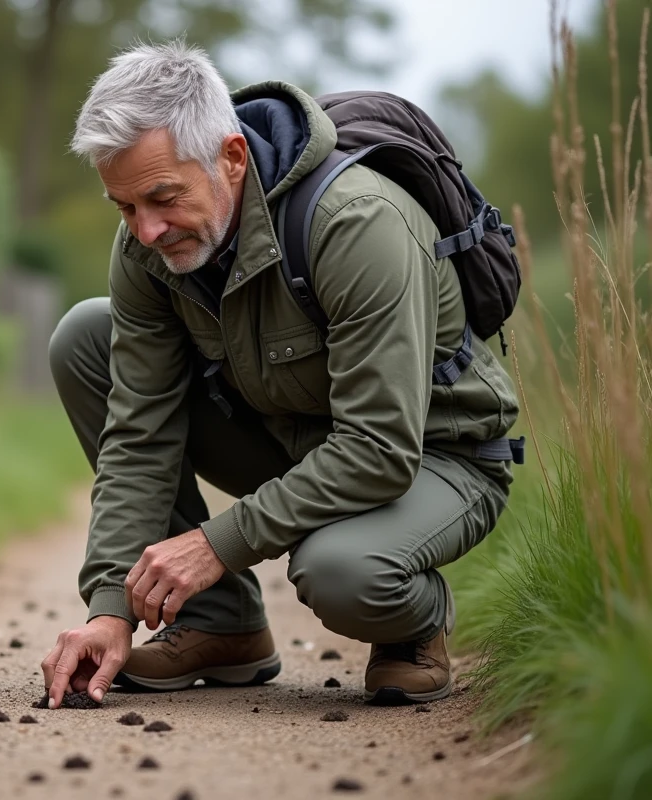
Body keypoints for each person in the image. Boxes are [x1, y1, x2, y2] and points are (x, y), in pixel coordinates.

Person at [40, 39, 520, 709]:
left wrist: (215, 545)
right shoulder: (146, 247)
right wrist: (110, 609)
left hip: (431, 456)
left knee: (342, 572)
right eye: (124, 207)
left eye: (162, 197)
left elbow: (379, 450)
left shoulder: (354, 223)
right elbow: (138, 438)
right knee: (86, 337)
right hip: (292, 437)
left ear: (231, 157)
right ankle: (220, 624)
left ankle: (417, 622)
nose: (145, 230)